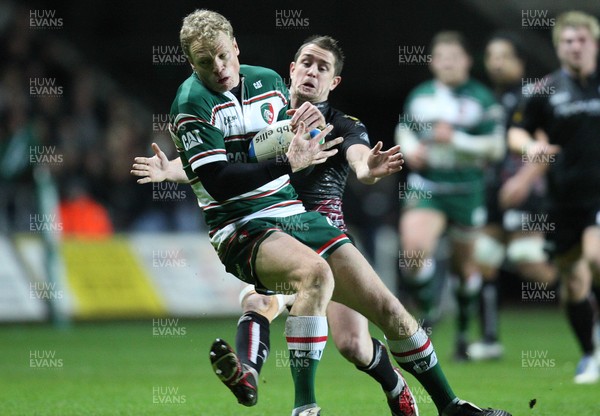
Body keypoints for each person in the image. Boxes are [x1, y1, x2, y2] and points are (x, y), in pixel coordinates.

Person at [133, 10, 512, 416]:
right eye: (206, 62)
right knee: (293, 286)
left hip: (306, 220)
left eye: (224, 56)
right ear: (292, 69)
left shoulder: (320, 112)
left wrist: (368, 168)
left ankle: (449, 405)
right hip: (243, 226)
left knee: (384, 318)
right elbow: (222, 173)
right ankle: (293, 400)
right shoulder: (194, 102)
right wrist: (183, 167)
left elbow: (354, 158)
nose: (220, 69)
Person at [396, 31, 505, 360]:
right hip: (428, 186)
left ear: (467, 62)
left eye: (454, 57)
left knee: (465, 269)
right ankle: (430, 308)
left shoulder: (482, 98)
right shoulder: (420, 96)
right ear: (432, 62)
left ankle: (461, 333)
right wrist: (412, 149)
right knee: (413, 253)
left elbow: (497, 148)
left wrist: (455, 139)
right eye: (441, 57)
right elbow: (405, 129)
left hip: (466, 190)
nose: (447, 63)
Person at [507, 11, 600, 384]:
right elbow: (515, 132)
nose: (574, 47)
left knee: (596, 256)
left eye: (581, 40)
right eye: (567, 41)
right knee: (574, 283)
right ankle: (590, 355)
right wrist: (529, 146)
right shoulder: (544, 90)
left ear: (594, 43)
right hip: (563, 200)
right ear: (559, 48)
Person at [468, 33, 557, 361]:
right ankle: (489, 340)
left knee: (529, 263)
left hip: (524, 192)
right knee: (483, 260)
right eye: (491, 55)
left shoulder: (531, 96)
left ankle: (583, 289)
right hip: (493, 193)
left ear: (520, 62)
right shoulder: (489, 99)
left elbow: (545, 147)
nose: (496, 61)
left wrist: (523, 180)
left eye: (503, 55)